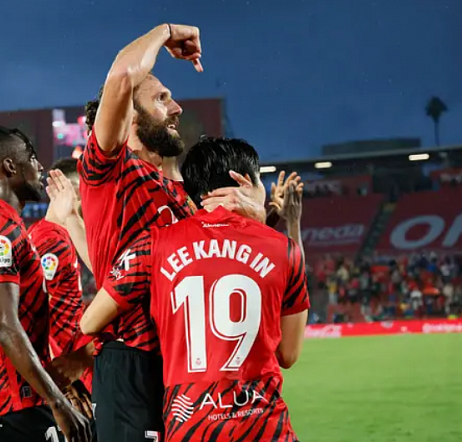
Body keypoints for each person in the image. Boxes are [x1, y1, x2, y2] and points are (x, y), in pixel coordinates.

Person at [80, 23, 267, 442]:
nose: (177, 107)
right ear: (129, 116)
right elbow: (121, 76)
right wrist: (166, 33)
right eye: (161, 99)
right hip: (132, 362)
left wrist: (259, 216)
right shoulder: (109, 172)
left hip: (185, 363)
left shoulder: (182, 195)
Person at [81, 137, 310, 442]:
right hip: (263, 426)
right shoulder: (285, 249)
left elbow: (90, 323)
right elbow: (288, 354)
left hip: (191, 427)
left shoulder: (153, 244)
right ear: (244, 181)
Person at [0, 101, 91, 442]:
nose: (39, 165)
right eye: (31, 157)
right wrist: (57, 402)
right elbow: (5, 325)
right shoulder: (0, 227)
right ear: (10, 166)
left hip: (0, 394)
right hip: (14, 397)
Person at [27, 158, 94, 412]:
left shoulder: (54, 235)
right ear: (71, 190)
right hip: (67, 374)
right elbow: (38, 314)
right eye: (90, 191)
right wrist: (61, 384)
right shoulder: (51, 241)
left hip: (70, 370)